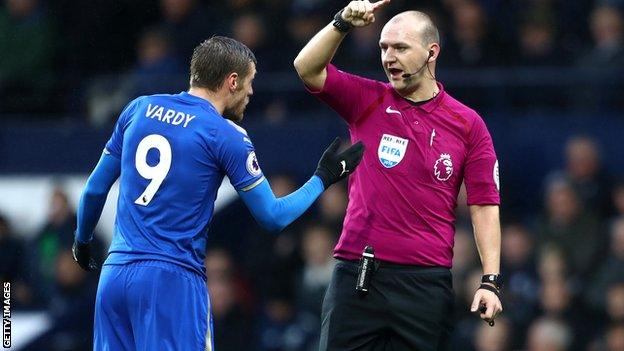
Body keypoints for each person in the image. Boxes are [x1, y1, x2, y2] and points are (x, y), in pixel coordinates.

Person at [71, 36, 365, 351]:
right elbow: (273, 216)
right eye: (250, 82)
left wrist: (82, 241)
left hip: (115, 276)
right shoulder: (225, 134)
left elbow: (94, 189)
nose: (252, 92)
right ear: (232, 81)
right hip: (172, 279)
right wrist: (324, 177)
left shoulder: (138, 109)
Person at [293, 2, 503, 350]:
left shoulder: (468, 124)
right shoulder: (368, 100)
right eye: (383, 48)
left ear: (431, 51)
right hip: (357, 275)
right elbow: (307, 68)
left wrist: (491, 280)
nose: (389, 57)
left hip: (424, 285)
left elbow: (484, 204)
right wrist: (342, 22)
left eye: (401, 47)